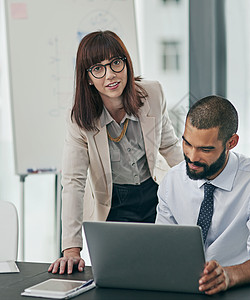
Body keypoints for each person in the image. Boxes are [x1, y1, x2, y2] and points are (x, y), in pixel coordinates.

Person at [48, 30, 183, 274]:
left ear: (127, 65)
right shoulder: (79, 118)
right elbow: (73, 182)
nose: (110, 75)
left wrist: (199, 187)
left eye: (116, 63)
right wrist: (71, 249)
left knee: (163, 270)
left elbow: (170, 147)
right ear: (87, 77)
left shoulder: (152, 94)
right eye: (98, 69)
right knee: (125, 275)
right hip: (113, 204)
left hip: (155, 193)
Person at [156, 95, 250, 295]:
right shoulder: (171, 182)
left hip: (240, 291)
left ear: (231, 143)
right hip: (184, 290)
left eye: (205, 149)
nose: (192, 157)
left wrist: (228, 275)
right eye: (187, 143)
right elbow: (162, 247)